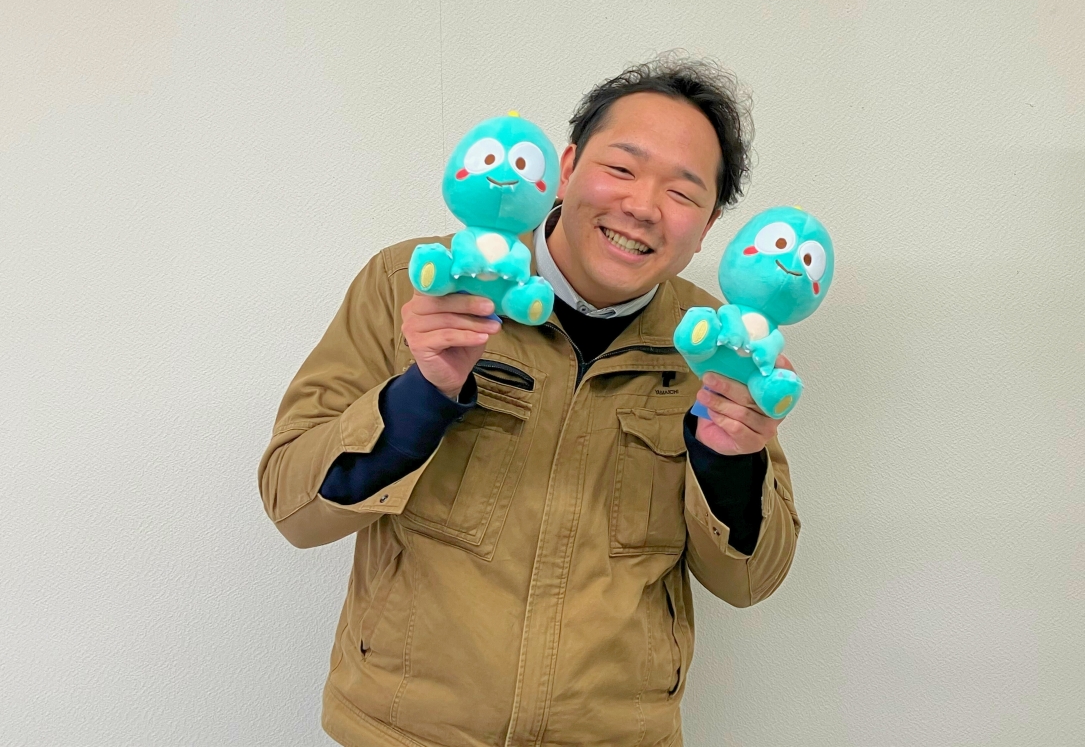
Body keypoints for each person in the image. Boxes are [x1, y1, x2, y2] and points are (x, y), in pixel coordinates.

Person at [258, 54, 801, 747]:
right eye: (622, 168)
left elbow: (750, 580)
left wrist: (731, 461)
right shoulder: (417, 286)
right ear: (567, 169)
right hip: (403, 732)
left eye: (682, 193)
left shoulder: (716, 351)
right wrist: (425, 391)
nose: (642, 207)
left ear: (709, 226)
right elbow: (292, 506)